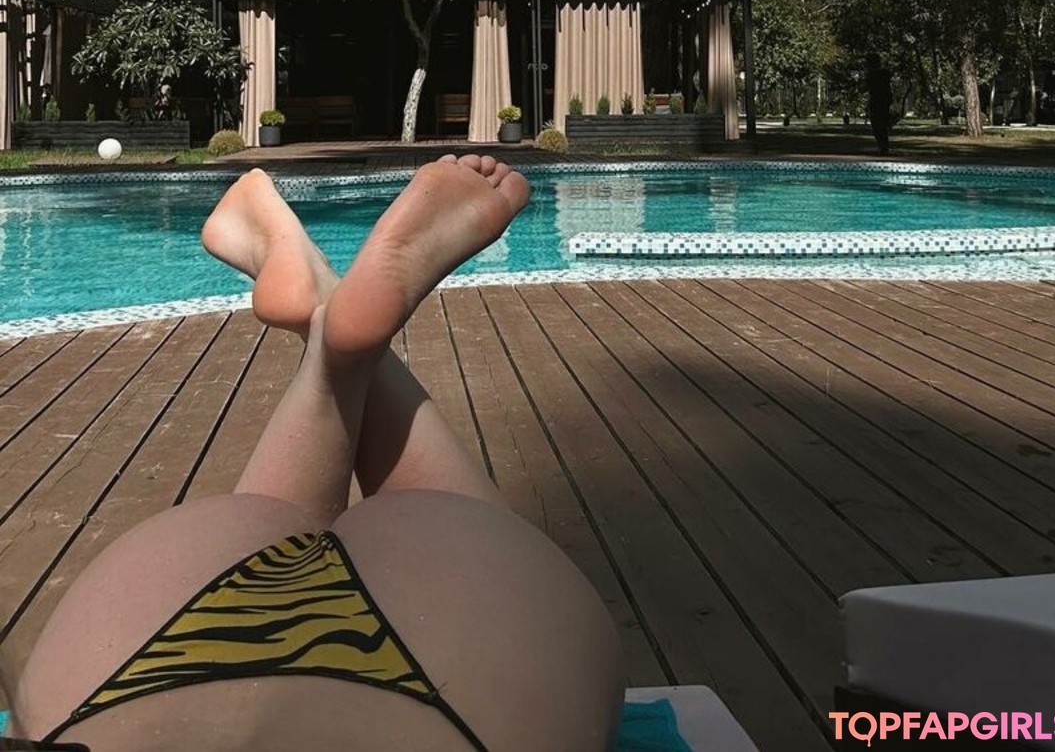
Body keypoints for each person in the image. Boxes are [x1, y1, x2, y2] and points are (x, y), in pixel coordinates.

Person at [6, 156, 625, 752]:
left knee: (333, 526)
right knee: (297, 522)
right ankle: (335, 339)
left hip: (162, 678)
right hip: (143, 659)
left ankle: (334, 336)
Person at [865, 53, 892, 155]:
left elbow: (868, 87)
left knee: (877, 125)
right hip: (883, 101)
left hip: (878, 101)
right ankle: (883, 147)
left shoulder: (872, 75)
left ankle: (883, 147)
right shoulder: (884, 74)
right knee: (881, 125)